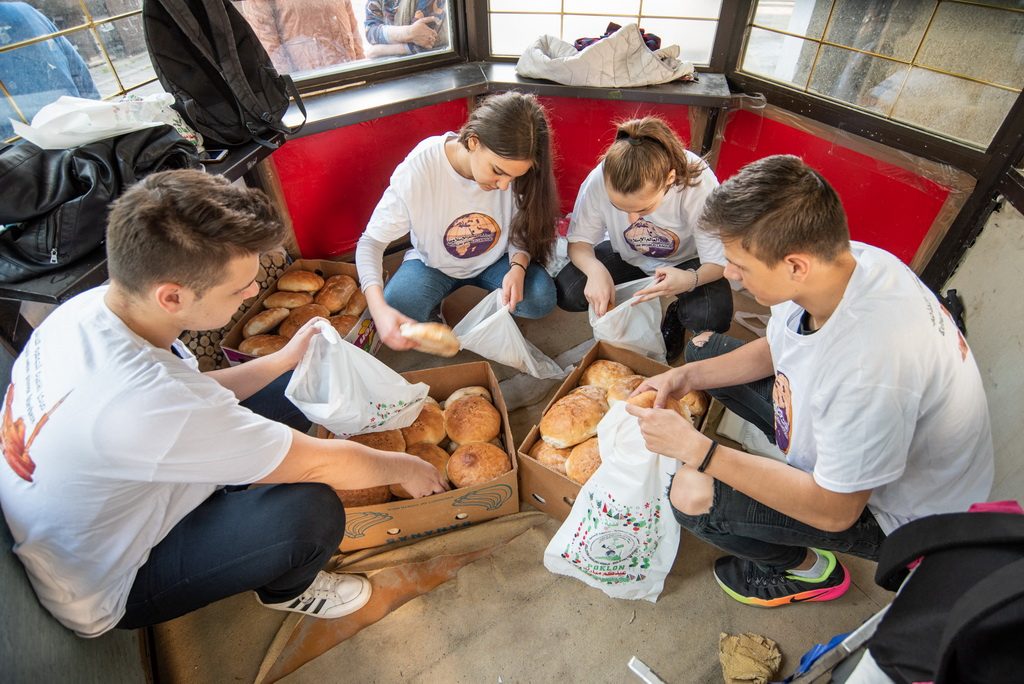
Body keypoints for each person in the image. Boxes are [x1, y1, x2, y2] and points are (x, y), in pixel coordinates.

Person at [0, 169, 448, 637]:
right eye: (239, 288)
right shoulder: (146, 407)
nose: (254, 292)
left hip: (136, 491)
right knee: (312, 512)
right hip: (116, 579)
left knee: (298, 380)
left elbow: (195, 390)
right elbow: (318, 463)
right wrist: (405, 468)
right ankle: (287, 589)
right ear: (172, 296)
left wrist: (283, 359)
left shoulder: (89, 312)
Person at [625, 154, 994, 608]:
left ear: (795, 265)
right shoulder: (846, 263)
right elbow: (782, 344)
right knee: (702, 353)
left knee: (691, 492)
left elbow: (836, 511)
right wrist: (685, 375)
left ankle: (808, 571)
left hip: (895, 515)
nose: (730, 274)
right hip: (853, 442)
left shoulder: (869, 374)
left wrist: (698, 450)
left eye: (739, 264)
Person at [356, 90, 560, 352]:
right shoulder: (421, 168)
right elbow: (371, 243)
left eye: (513, 177)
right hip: (434, 263)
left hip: (494, 260)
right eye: (497, 172)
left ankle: (492, 306)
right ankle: (438, 306)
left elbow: (520, 227)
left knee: (541, 297)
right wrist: (378, 309)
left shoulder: (514, 171)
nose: (503, 186)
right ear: (473, 142)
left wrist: (517, 267)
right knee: (396, 305)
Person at [554, 116, 733, 362]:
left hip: (687, 261)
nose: (632, 219)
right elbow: (579, 243)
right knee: (568, 291)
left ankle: (676, 314)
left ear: (670, 179)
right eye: (619, 207)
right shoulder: (601, 177)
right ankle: (633, 302)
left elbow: (720, 261)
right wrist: (595, 270)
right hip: (627, 255)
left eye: (644, 208)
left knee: (712, 317)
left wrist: (690, 279)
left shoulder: (698, 182)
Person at [0, 2, 100, 139]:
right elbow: (79, 73)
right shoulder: (25, 12)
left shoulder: (23, 12)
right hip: (78, 129)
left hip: (21, 145)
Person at [237, 0, 365, 74]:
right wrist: (291, 89)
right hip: (308, 85)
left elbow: (352, 28)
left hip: (349, 74)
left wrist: (362, 69)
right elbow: (269, 48)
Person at [364, 0, 447, 58]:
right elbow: (370, 31)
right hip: (391, 70)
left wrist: (379, 50)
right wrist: (409, 32)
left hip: (431, 67)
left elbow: (425, 41)